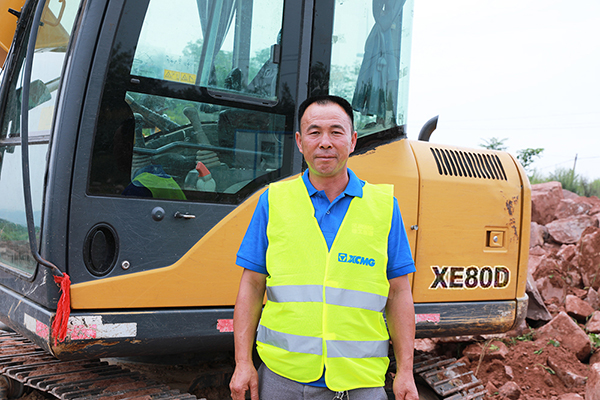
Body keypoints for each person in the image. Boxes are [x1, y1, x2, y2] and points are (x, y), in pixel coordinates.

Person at [229, 95, 418, 400]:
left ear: (353, 141)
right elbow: (251, 284)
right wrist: (242, 363)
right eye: (314, 132)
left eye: (336, 132)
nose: (325, 142)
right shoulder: (273, 201)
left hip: (360, 382)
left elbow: (398, 292)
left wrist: (406, 371)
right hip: (282, 378)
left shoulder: (383, 207)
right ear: (300, 142)